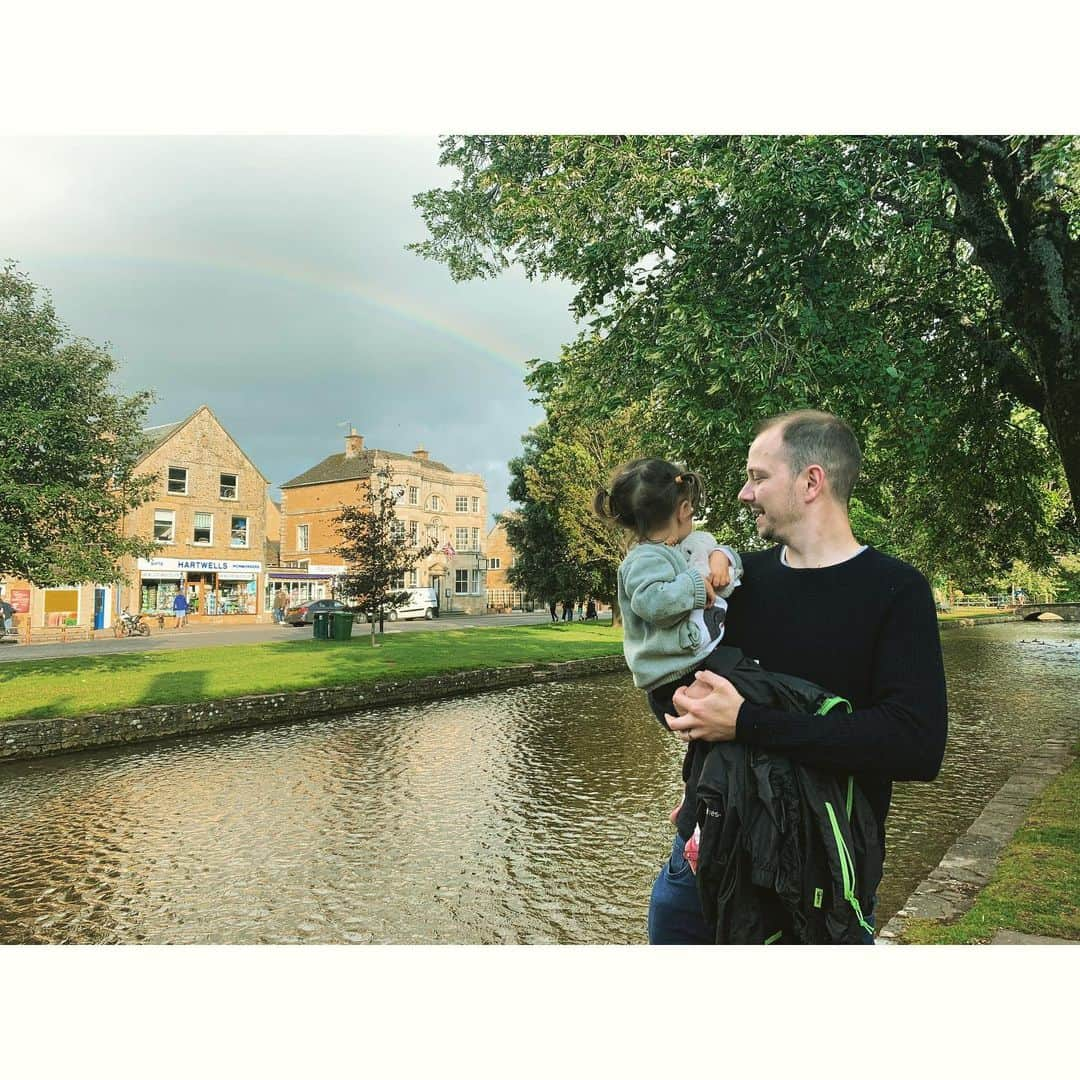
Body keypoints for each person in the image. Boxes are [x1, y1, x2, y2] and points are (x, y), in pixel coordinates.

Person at [648, 410, 948, 945]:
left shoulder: (896, 591)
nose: (745, 493)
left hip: (822, 877)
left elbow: (915, 745)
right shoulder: (737, 581)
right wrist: (706, 761)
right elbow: (671, 695)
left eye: (759, 477)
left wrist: (747, 724)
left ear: (812, 482)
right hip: (703, 859)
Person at [594, 459, 742, 738]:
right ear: (684, 509)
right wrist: (696, 584)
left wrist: (723, 557)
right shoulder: (644, 559)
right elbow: (653, 603)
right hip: (673, 680)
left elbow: (712, 557)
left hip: (694, 665)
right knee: (754, 690)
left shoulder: (680, 547)